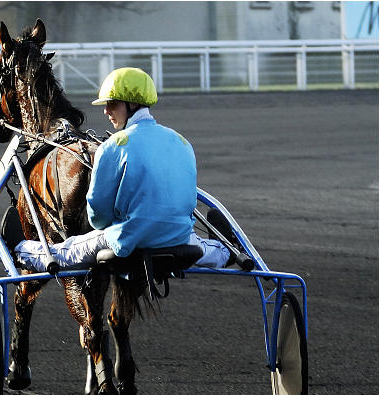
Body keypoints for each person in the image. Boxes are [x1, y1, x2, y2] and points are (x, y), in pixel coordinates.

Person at [13, 67, 232, 272]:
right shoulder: (182, 142)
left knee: (66, 252)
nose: (106, 111)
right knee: (215, 252)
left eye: (112, 104)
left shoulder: (114, 146)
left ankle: (19, 248)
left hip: (128, 241)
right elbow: (187, 202)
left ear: (132, 104)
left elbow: (97, 216)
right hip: (181, 239)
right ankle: (228, 248)